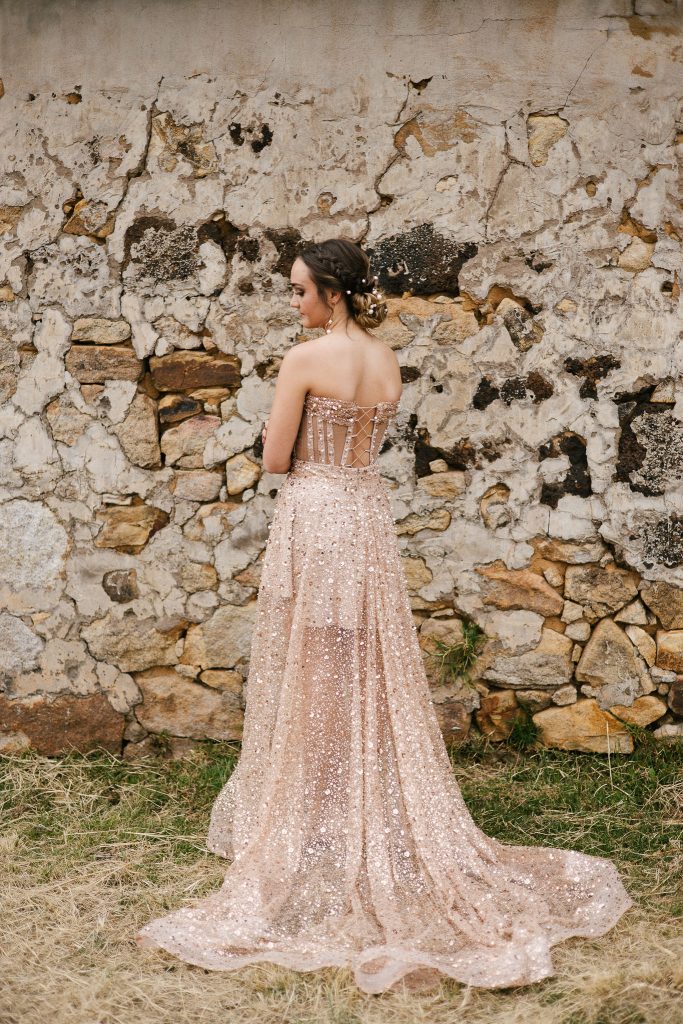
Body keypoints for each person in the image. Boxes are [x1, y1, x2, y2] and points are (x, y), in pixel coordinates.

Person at [135, 237, 633, 994]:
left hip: (317, 514)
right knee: (358, 669)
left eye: (299, 290)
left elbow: (276, 459)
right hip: (364, 517)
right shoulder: (386, 360)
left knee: (317, 672)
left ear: (331, 292)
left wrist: (290, 438)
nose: (293, 302)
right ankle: (349, 812)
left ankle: (318, 825)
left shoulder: (306, 360)